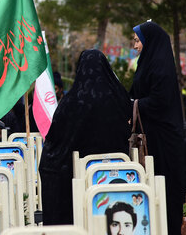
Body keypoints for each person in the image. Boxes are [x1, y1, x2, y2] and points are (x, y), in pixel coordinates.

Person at [40, 49, 132, 226]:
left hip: (76, 174)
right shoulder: (119, 97)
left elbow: (55, 137)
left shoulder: (73, 100)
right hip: (117, 170)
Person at [129, 21, 185, 235]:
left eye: (138, 40)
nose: (135, 44)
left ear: (150, 42)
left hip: (164, 143)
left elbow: (160, 101)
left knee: (167, 194)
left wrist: (135, 103)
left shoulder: (161, 69)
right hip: (151, 142)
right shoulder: (148, 64)